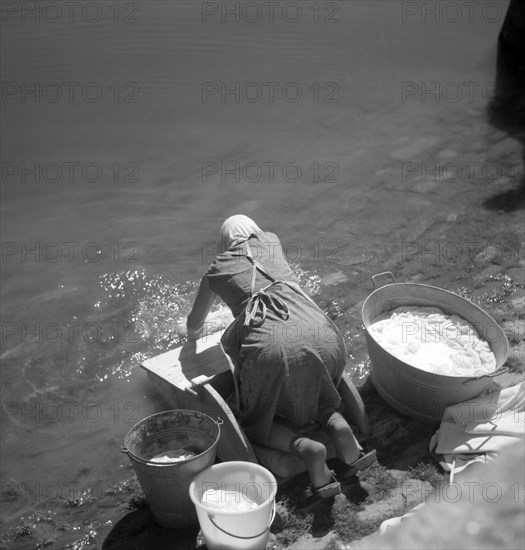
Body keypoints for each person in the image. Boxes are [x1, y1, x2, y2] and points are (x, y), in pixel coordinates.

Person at [187, 215, 374, 497]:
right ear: (255, 233)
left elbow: (194, 324)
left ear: (223, 245)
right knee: (318, 388)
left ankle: (304, 447)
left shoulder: (216, 269)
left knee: (251, 417)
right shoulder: (272, 242)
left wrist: (191, 342)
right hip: (321, 333)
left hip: (272, 350)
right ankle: (337, 425)